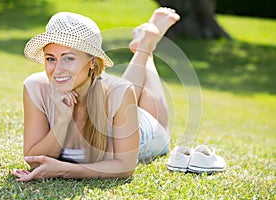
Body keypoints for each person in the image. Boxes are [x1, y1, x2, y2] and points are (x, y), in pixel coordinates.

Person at [11, 7, 180, 182]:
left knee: (150, 116)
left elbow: (125, 166)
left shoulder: (120, 92)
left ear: (92, 62)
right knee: (120, 91)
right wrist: (63, 120)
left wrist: (64, 169)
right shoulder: (35, 87)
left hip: (144, 130)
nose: (58, 70)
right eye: (50, 59)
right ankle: (143, 46)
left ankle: (146, 48)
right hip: (116, 102)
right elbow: (34, 160)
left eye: (68, 58)